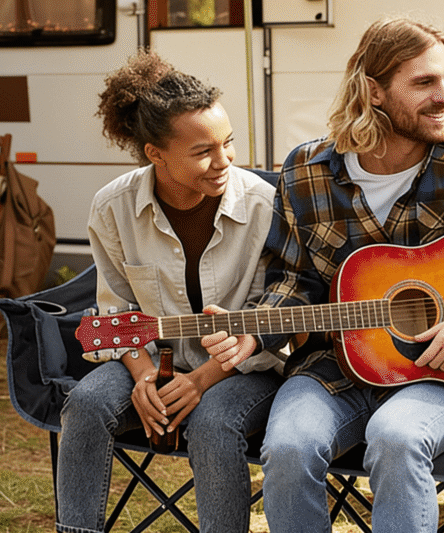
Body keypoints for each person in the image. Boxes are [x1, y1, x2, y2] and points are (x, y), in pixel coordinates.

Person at [199, 16, 444, 533]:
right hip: (335, 364)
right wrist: (254, 329)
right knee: (288, 447)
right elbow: (292, 281)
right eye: (424, 83)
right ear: (374, 90)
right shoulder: (306, 169)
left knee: (397, 438)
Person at [58, 50, 284, 533]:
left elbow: (276, 316)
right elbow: (114, 310)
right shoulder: (113, 207)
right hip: (153, 360)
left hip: (246, 369)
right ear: (154, 154)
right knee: (86, 404)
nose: (223, 162)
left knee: (212, 422)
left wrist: (201, 379)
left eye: (228, 144)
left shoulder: (267, 206)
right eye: (203, 151)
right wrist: (142, 377)